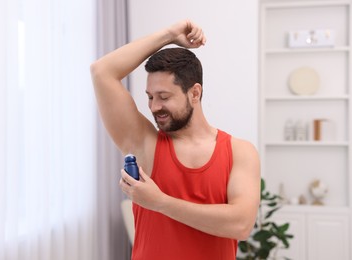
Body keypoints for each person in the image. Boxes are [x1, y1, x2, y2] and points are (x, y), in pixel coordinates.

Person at [90, 19, 260, 260]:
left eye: (164, 96)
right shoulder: (144, 143)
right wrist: (169, 35)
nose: (154, 106)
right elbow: (102, 71)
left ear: (195, 93)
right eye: (150, 96)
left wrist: (160, 202)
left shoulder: (240, 152)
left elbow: (240, 224)